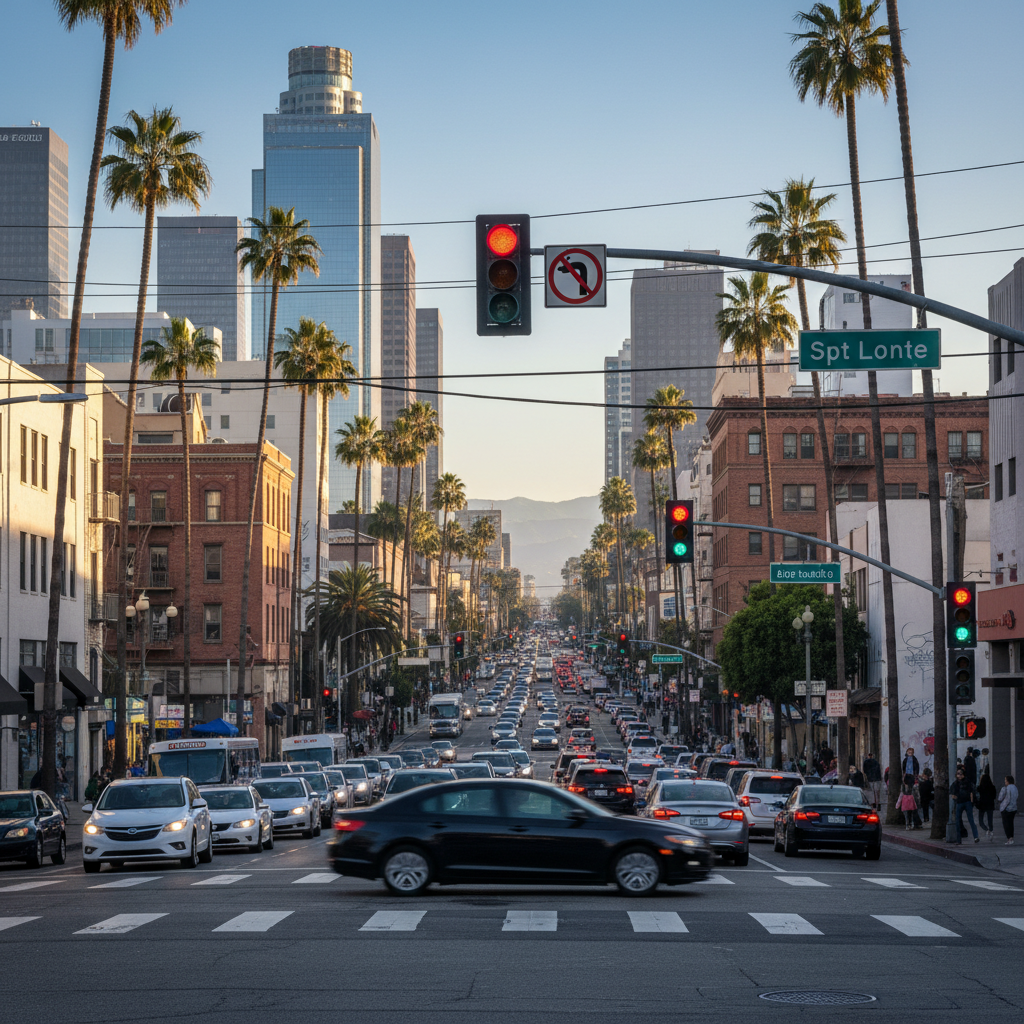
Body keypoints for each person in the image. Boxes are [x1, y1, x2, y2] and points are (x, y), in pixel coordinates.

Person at [951, 767, 979, 844]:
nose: (959, 775)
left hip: (967, 802)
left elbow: (971, 792)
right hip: (959, 803)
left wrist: (971, 801)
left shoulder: (967, 782)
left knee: (971, 820)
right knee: (958, 821)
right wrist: (954, 797)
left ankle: (976, 836)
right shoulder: (955, 783)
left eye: (960, 774)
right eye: (958, 774)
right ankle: (959, 839)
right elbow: (952, 793)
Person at [998, 775, 1018, 846]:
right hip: (1014, 808)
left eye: (1005, 780)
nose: (1005, 782)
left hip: (1006, 808)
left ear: (1008, 781)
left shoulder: (1005, 788)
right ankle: (1011, 838)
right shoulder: (1015, 788)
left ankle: (1009, 838)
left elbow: (1000, 798)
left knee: (1006, 824)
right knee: (1011, 823)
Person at [977, 768, 997, 838]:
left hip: (982, 805)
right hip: (990, 805)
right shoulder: (992, 787)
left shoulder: (980, 787)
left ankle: (986, 829)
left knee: (981, 821)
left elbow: (977, 794)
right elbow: (994, 796)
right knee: (990, 820)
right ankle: (990, 831)